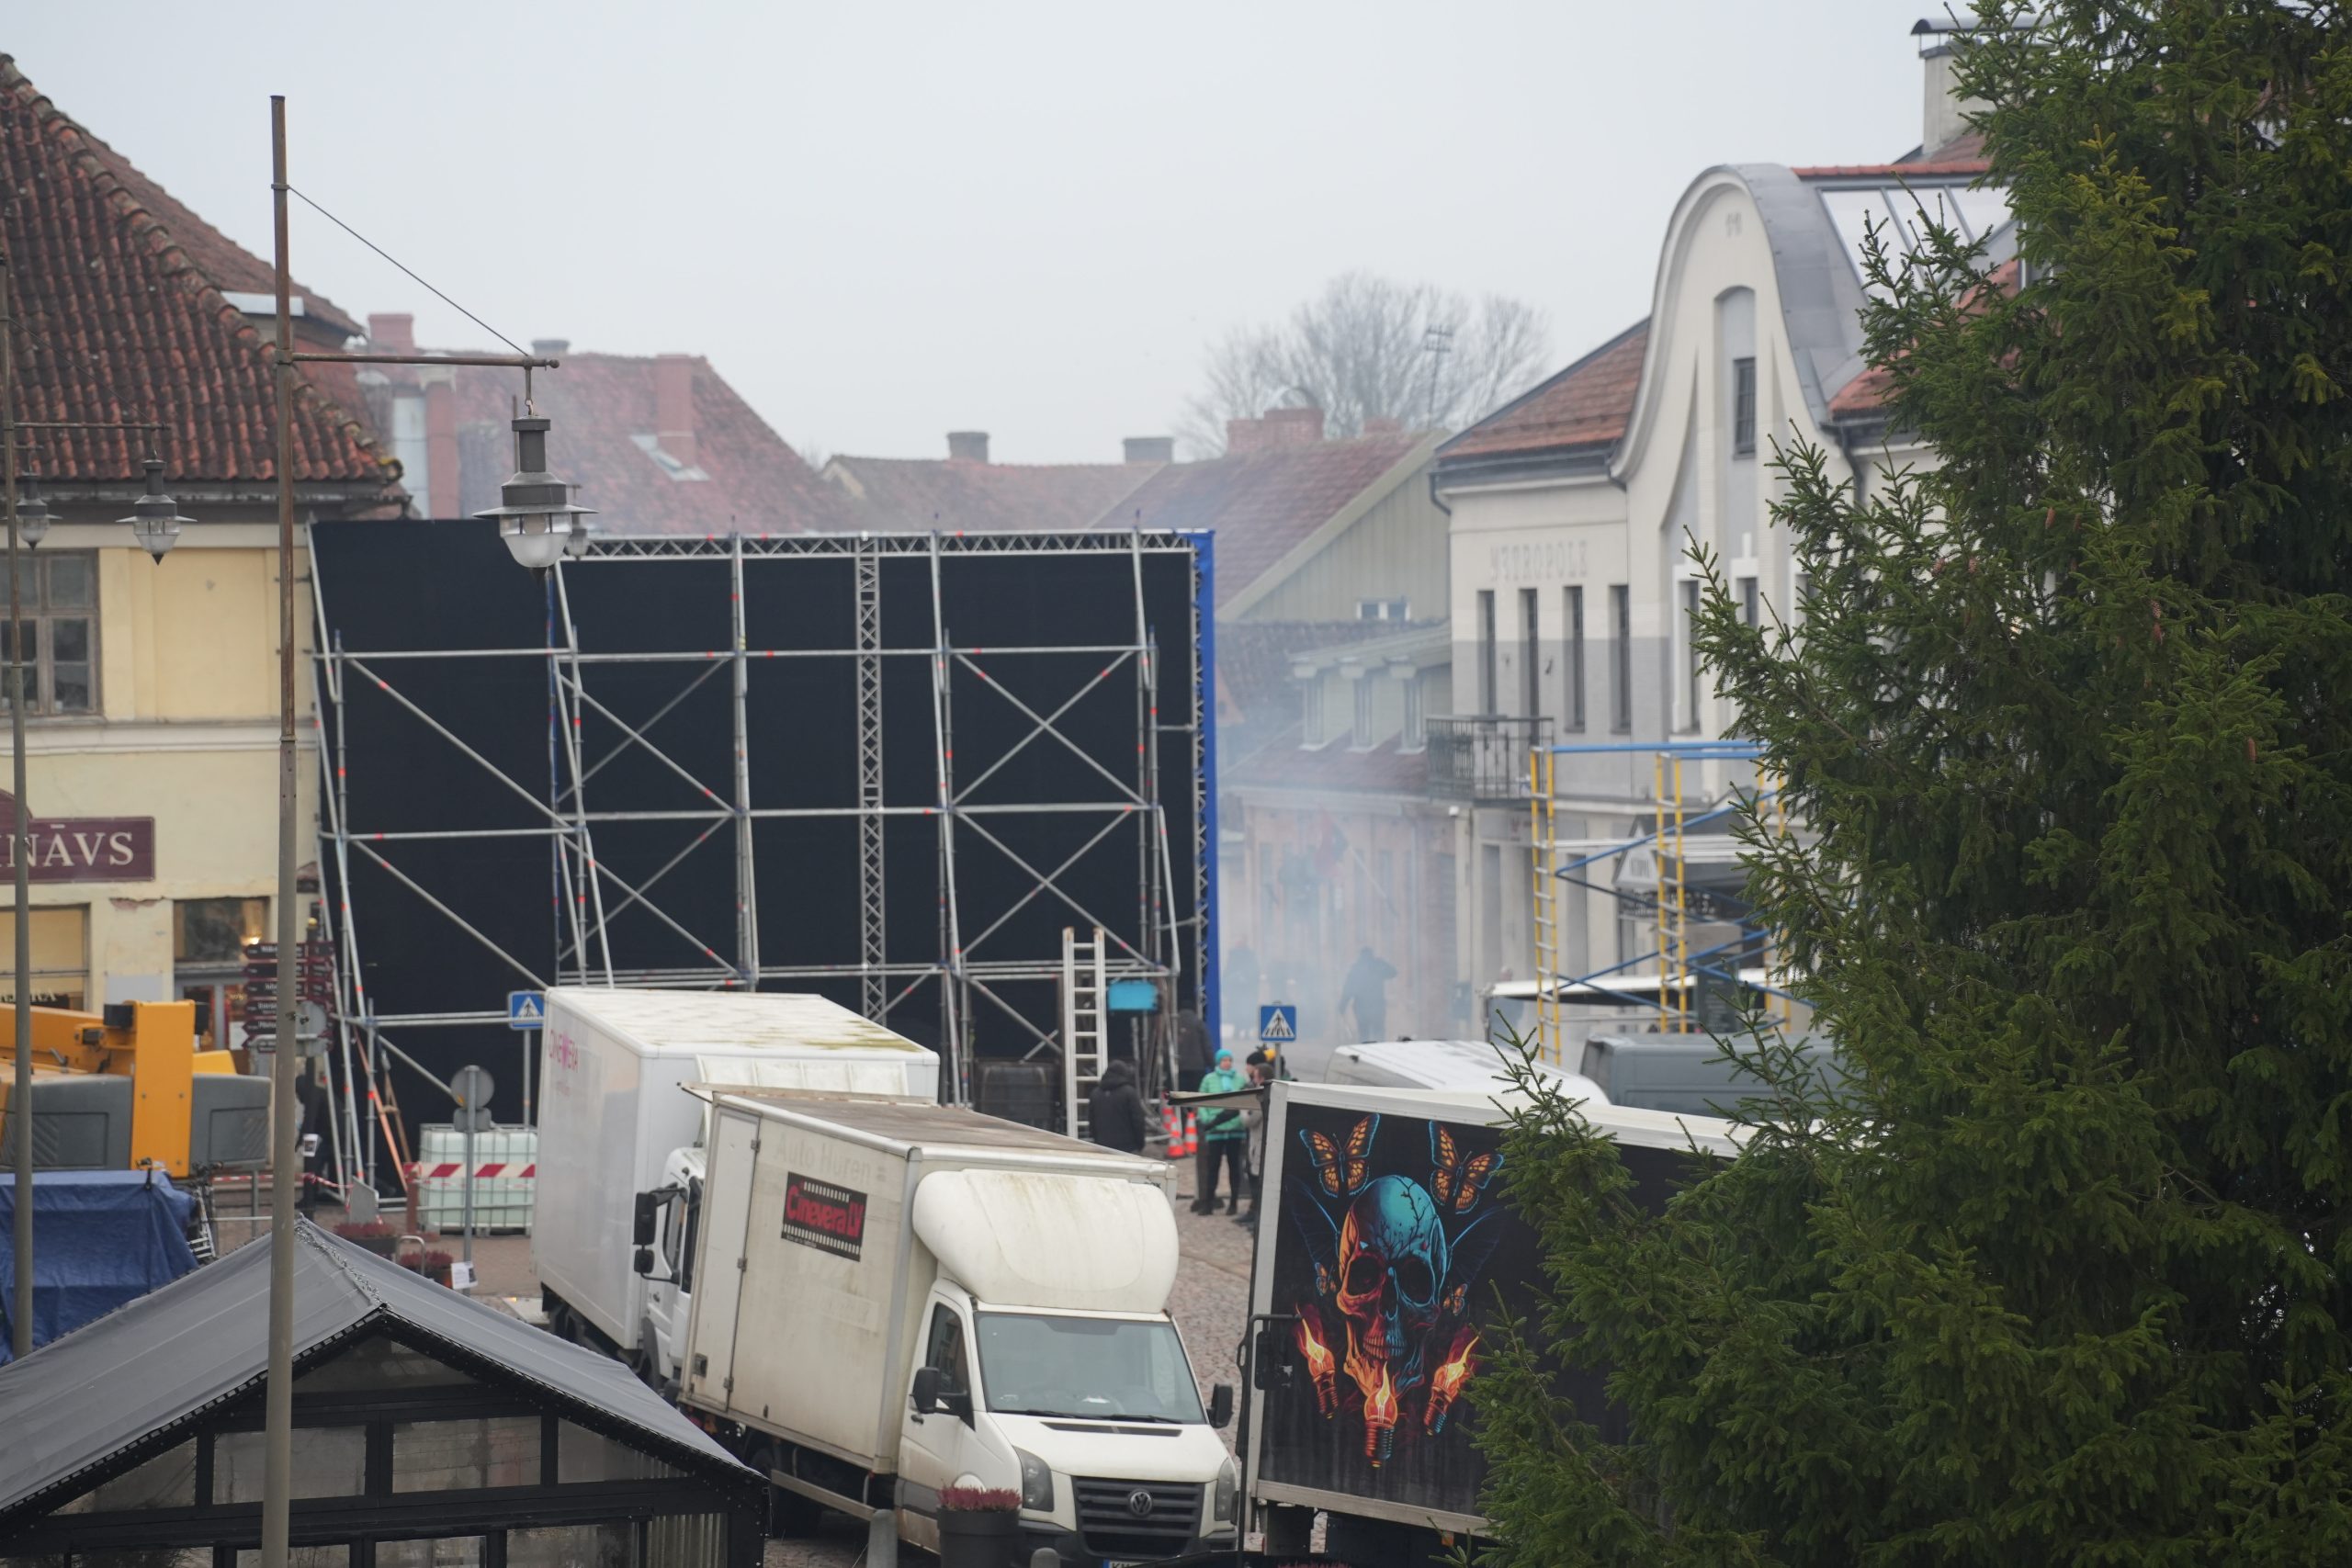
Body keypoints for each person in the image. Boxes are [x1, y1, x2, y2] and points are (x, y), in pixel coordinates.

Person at [1192, 1049, 1249, 1214]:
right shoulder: (1209, 1079)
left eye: (1229, 1060)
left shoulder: (1240, 1079)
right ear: (1218, 1062)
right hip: (1214, 1130)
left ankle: (1233, 1203)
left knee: (1234, 1168)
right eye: (1224, 1060)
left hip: (1235, 1130)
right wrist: (1207, 1119)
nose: (1227, 1063)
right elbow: (1201, 1101)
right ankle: (1208, 1203)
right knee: (1213, 1167)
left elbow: (1245, 1102)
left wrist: (1239, 1121)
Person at [1087, 1058, 1149, 1153]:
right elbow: (1138, 1121)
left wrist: (1097, 1141)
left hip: (1103, 1147)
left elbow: (1092, 1121)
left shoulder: (1095, 1094)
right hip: (1128, 1148)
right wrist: (1140, 1144)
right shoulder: (1129, 1092)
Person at [1338, 946, 1397, 1043]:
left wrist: (1342, 1006)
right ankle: (1379, 1049)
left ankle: (1366, 1048)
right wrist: (1382, 963)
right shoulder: (1377, 967)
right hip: (1377, 1006)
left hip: (1362, 1007)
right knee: (1378, 1032)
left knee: (1364, 1034)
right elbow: (1393, 972)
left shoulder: (1356, 969)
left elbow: (1348, 990)